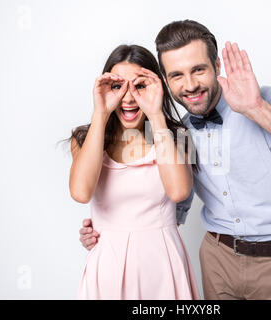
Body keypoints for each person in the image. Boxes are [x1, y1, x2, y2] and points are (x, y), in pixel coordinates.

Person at [79, 20, 271, 300]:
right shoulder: (181, 131)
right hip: (216, 262)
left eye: (198, 69)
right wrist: (111, 229)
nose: (190, 85)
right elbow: (174, 201)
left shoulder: (267, 101)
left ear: (217, 67)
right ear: (165, 81)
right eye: (177, 75)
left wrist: (257, 109)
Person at [67, 44, 200, 299]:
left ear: (155, 86)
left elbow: (179, 191)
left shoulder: (180, 136)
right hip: (107, 264)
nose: (128, 98)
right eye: (117, 86)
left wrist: (156, 114)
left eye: (139, 86)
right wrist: (101, 113)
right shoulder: (84, 138)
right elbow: (81, 193)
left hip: (162, 265)